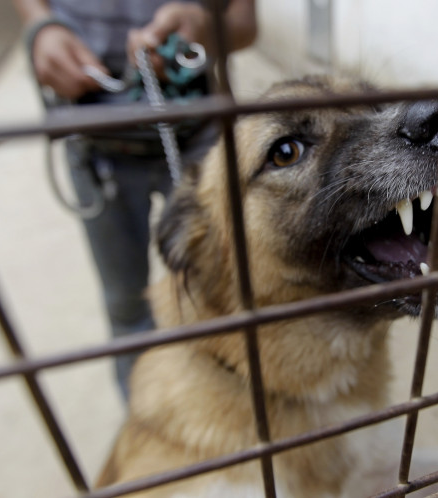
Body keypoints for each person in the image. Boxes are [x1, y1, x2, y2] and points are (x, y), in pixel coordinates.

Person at [13, 0, 257, 398]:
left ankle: (232, 414)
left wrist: (204, 27)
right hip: (94, 144)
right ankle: (145, 422)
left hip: (197, 138)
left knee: (226, 289)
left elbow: (244, 23)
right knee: (126, 304)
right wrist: (41, 25)